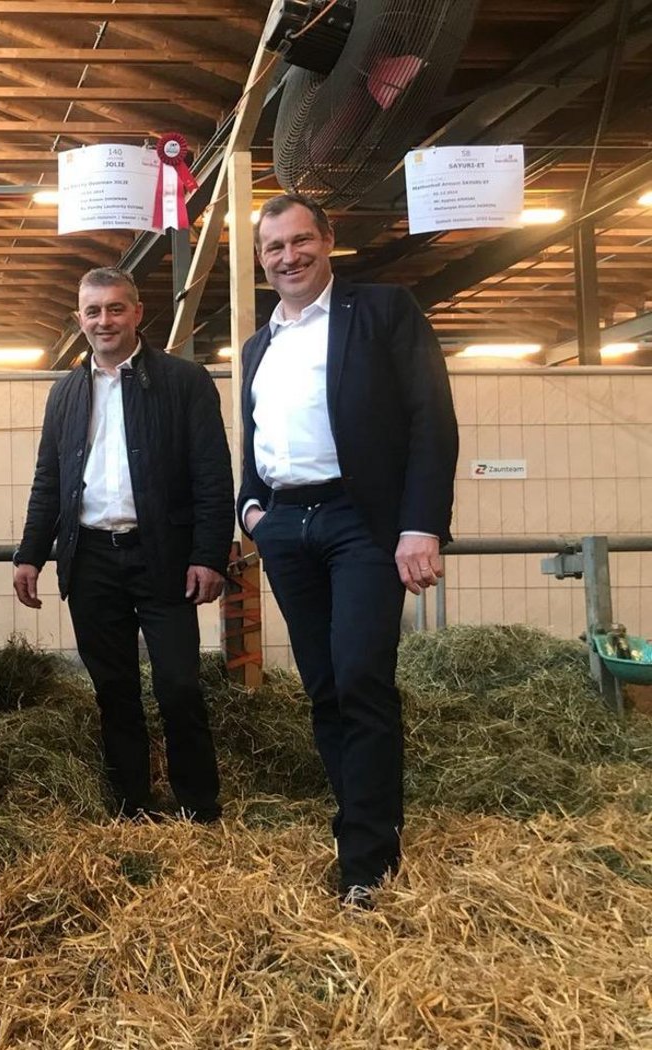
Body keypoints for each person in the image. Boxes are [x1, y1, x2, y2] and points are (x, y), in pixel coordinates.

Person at [238, 193, 458, 908]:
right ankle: (365, 820)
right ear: (260, 258)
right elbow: (257, 435)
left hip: (361, 520)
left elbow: (431, 418)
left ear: (329, 241)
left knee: (362, 678)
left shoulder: (383, 312)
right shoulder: (257, 344)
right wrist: (252, 509)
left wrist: (420, 524)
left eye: (301, 241)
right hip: (288, 527)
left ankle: (366, 861)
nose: (289, 257)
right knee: (324, 686)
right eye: (274, 248)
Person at [12, 267, 234, 823]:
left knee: (179, 685)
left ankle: (199, 807)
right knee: (114, 689)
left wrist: (209, 554)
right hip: (89, 560)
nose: (104, 320)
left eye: (116, 309)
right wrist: (30, 554)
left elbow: (212, 475)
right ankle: (131, 805)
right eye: (93, 311)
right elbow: (49, 481)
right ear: (79, 319)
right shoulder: (65, 393)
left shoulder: (184, 382)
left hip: (162, 557)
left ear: (137, 312)